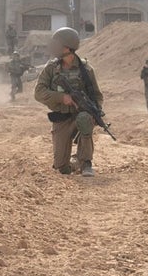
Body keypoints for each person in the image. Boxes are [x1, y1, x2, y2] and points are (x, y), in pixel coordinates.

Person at [35, 28, 103, 177]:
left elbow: (97, 95)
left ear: (67, 47)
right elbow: (38, 93)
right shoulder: (51, 68)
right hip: (62, 117)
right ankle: (74, 161)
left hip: (81, 114)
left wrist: (95, 113)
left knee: (85, 119)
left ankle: (86, 163)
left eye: (57, 44)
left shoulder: (86, 69)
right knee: (60, 168)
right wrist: (62, 98)